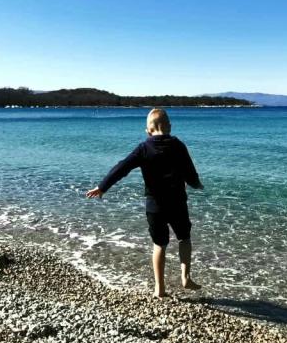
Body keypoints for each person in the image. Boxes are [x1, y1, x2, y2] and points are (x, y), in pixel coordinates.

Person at [86, 108, 203, 298]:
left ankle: (160, 288)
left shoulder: (143, 148)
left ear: (148, 130)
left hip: (154, 206)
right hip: (177, 203)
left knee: (159, 245)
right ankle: (185, 277)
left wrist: (102, 187)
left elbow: (121, 168)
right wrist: (196, 184)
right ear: (169, 126)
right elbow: (189, 171)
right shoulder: (178, 145)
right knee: (184, 238)